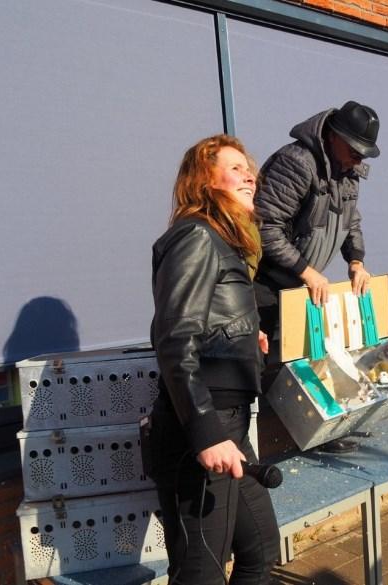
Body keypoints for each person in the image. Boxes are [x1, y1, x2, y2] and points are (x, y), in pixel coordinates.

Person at [148, 135, 279, 585]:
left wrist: (245, 334)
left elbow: (207, 321)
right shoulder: (195, 235)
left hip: (230, 425)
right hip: (201, 433)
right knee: (201, 574)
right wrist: (206, 432)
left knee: (261, 549)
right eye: (236, 167)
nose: (250, 175)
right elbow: (172, 336)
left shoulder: (225, 242)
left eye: (250, 168)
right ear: (205, 180)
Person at [253, 100, 381, 345]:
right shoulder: (296, 163)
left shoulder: (348, 173)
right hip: (265, 289)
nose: (357, 161)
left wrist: (356, 261)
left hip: (299, 287)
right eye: (354, 152)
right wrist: (306, 271)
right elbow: (265, 227)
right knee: (266, 368)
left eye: (363, 156)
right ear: (333, 136)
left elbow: (350, 221)